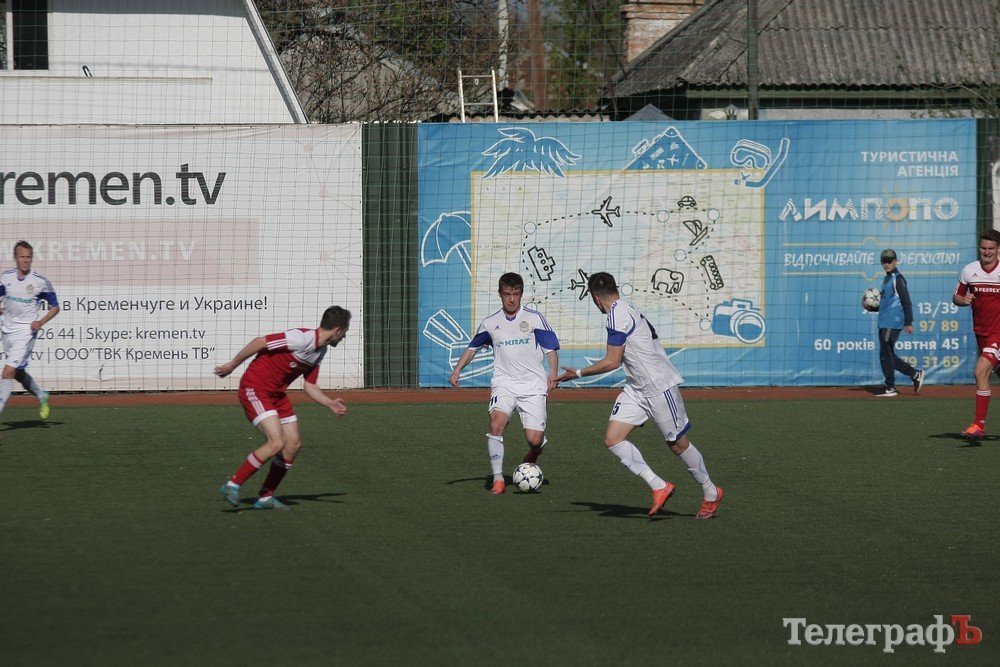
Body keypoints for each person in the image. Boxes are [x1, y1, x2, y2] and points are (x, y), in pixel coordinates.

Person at [556, 272, 722, 519]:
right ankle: (659, 486)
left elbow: (612, 361)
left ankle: (710, 491)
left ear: (595, 298)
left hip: (658, 386)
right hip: (636, 388)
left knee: (677, 444)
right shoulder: (623, 309)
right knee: (613, 439)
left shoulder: (617, 315)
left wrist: (579, 373)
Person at [214, 306, 351, 510]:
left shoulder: (320, 351)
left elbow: (310, 385)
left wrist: (329, 402)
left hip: (277, 395)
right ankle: (233, 484)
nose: (344, 336)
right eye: (345, 332)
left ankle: (265, 497)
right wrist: (232, 365)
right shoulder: (301, 338)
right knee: (277, 442)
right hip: (255, 388)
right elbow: (260, 342)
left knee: (292, 445)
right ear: (337, 330)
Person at [449, 272, 560, 494]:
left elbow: (550, 349)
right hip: (504, 383)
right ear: (500, 294)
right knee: (496, 424)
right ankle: (498, 479)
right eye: (507, 294)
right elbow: (472, 348)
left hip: (532, 385)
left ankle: (535, 450)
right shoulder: (491, 323)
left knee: (534, 439)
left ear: (521, 294)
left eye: (516, 294)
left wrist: (553, 374)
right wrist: (458, 370)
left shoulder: (534, 318)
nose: (511, 299)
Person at [0, 241, 59, 430]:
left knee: (7, 372)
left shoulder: (40, 281)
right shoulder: (6, 277)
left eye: (28, 257)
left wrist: (40, 322)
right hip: (7, 330)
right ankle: (41, 395)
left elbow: (55, 307)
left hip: (26, 332)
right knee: (18, 373)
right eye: (22, 257)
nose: (25, 260)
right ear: (15, 258)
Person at [954, 229, 1000, 438]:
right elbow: (956, 296)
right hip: (981, 332)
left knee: (980, 372)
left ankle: (978, 425)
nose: (987, 252)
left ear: (998, 249)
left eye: (991, 248)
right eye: (983, 248)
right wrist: (963, 300)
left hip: (998, 333)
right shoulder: (969, 270)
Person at [873, 249, 923, 397]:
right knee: (886, 355)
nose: (887, 264)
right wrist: (873, 306)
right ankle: (915, 374)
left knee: (886, 355)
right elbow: (887, 302)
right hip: (884, 322)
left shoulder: (898, 279)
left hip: (892, 322)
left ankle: (890, 387)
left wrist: (908, 321)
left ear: (896, 261)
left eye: (889, 261)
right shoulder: (885, 279)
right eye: (884, 261)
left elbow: (906, 301)